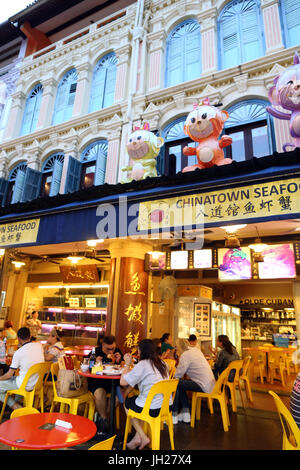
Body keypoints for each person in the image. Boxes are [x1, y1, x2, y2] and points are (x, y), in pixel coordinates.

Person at [120, 338, 169, 450]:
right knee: (139, 402)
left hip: (152, 407)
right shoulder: (163, 363)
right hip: (165, 406)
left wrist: (127, 364)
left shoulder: (143, 364)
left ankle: (143, 437)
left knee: (128, 404)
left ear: (142, 351)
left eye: (138, 350)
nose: (138, 352)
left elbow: (123, 382)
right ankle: (137, 438)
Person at [172, 334, 216, 424]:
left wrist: (171, 376)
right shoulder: (196, 350)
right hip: (210, 384)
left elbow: (178, 375)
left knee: (175, 383)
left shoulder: (185, 355)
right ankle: (185, 414)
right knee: (181, 385)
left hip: (203, 385)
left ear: (179, 348)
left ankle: (174, 415)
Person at [0, 327, 44, 412]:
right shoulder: (39, 346)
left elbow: (9, 375)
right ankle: (17, 404)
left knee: (5, 382)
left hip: (24, 384)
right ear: (30, 336)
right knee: (16, 378)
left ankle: (16, 407)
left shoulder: (19, 352)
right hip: (37, 383)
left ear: (18, 339)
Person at [87, 335, 123, 434]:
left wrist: (119, 361)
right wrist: (94, 363)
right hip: (98, 381)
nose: (111, 352)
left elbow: (123, 367)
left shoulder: (118, 352)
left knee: (118, 396)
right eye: (108, 349)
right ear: (102, 345)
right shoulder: (95, 351)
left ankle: (103, 420)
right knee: (99, 393)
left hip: (114, 381)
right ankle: (104, 419)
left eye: (113, 348)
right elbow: (87, 367)